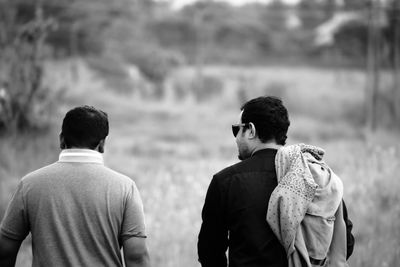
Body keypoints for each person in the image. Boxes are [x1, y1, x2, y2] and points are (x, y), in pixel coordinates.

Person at [197, 96, 354, 267]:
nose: (236, 137)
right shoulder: (316, 176)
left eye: (237, 130)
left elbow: (209, 252)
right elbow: (346, 244)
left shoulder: (225, 182)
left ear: (251, 130)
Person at [0, 106, 150, 267]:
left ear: (62, 139)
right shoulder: (125, 188)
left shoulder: (29, 185)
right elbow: (137, 256)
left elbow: (5, 250)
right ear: (102, 144)